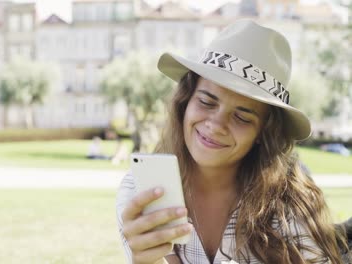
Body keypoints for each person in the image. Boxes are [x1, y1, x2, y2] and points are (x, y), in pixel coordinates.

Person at [116, 19, 349, 263]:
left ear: (262, 132)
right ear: (185, 103)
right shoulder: (139, 191)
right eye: (206, 102)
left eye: (241, 117)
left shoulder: (290, 197)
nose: (216, 125)